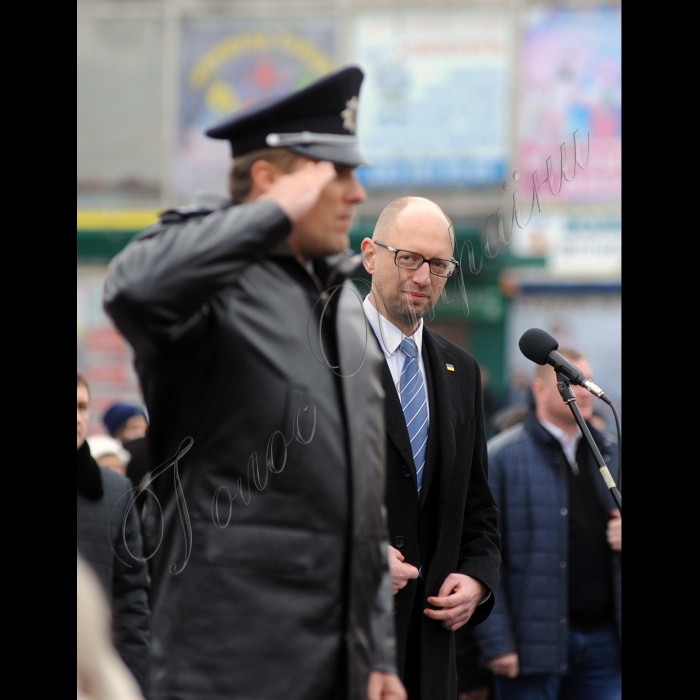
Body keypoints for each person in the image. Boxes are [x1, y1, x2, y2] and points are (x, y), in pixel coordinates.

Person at [103, 66, 404, 700]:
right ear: (271, 182)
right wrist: (265, 216)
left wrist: (377, 652)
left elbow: (363, 506)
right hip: (231, 664)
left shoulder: (345, 306)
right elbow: (132, 290)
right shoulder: (207, 279)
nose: (356, 193)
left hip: (339, 667)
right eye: (336, 175)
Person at [360, 196, 501, 700]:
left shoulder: (460, 371)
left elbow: (479, 507)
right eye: (409, 259)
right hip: (347, 643)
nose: (423, 276)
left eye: (439, 264)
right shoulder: (319, 358)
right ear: (370, 255)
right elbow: (283, 502)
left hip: (432, 654)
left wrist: (478, 579)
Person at [473, 348, 621, 700]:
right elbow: (481, 552)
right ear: (539, 390)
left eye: (587, 380)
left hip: (605, 643)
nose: (584, 390)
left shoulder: (612, 454)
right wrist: (497, 644)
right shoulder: (502, 458)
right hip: (531, 649)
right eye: (572, 381)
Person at [77, 373, 150, 696]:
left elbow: (132, 598)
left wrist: (134, 682)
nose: (76, 417)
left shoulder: (116, 491)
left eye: (81, 407)